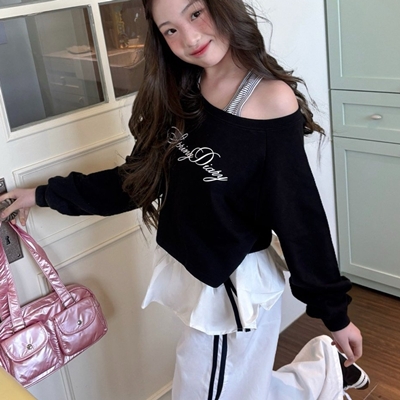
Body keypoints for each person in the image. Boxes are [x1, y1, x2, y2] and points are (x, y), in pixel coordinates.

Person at [0, 0, 369, 399]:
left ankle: (328, 373)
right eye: (170, 30)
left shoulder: (270, 100)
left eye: (195, 13)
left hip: (234, 286)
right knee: (245, 388)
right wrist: (42, 194)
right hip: (196, 273)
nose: (189, 38)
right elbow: (135, 183)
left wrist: (335, 314)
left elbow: (299, 217)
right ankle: (329, 372)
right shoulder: (180, 92)